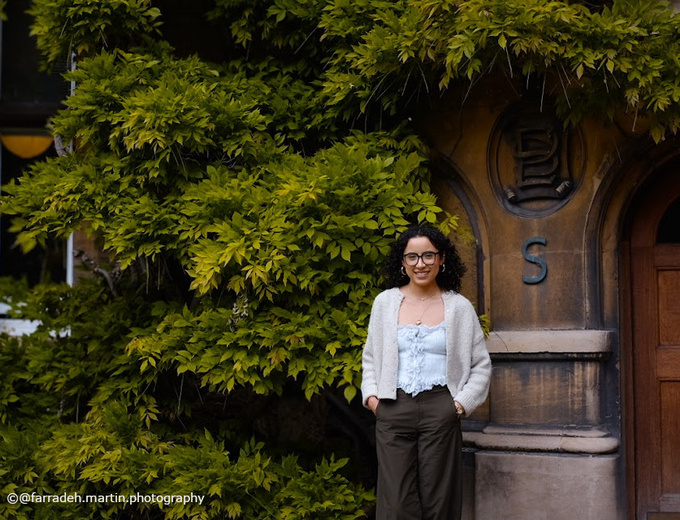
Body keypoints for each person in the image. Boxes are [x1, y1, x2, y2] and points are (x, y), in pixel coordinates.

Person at [361, 224, 492, 520]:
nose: (421, 264)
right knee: (395, 503)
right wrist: (372, 399)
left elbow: (481, 364)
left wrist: (459, 405)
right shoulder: (385, 303)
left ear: (441, 258)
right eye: (413, 257)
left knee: (439, 500)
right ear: (403, 262)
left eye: (428, 255)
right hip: (393, 407)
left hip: (441, 407)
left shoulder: (459, 307)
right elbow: (370, 357)